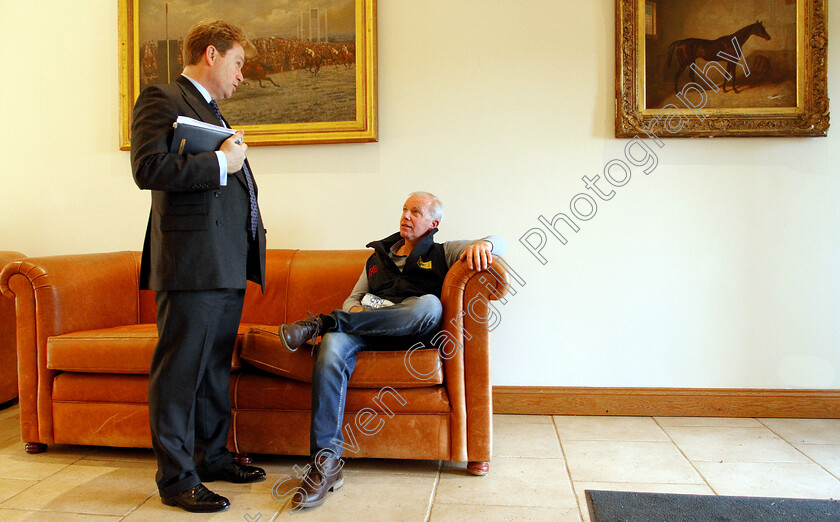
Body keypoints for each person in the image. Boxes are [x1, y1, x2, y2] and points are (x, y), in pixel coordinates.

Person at [276, 191, 506, 509]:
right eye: (404, 209)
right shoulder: (377, 258)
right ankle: (325, 463)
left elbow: (500, 242)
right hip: (368, 332)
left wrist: (487, 245)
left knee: (429, 304)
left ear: (433, 223)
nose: (406, 215)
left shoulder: (444, 252)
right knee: (331, 345)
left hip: (412, 333)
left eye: (416, 211)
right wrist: (354, 313)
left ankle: (323, 323)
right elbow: (353, 300)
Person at [130, 19, 267, 513]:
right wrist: (220, 164)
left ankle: (211, 457)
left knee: (211, 368)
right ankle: (176, 478)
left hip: (224, 262)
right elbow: (147, 169)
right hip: (188, 264)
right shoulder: (162, 98)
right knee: (180, 372)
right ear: (211, 55)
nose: (241, 75)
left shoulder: (210, 111)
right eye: (237, 63)